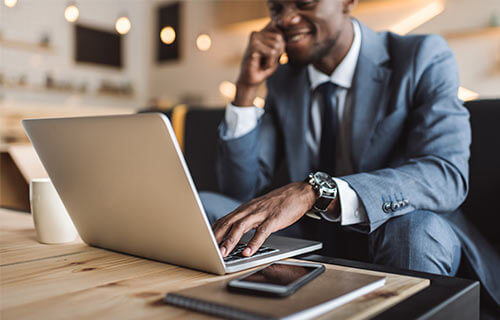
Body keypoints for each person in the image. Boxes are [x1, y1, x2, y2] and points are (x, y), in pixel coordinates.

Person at [200, 0, 470, 277]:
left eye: (303, 3)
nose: (287, 19)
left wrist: (317, 193)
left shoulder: (422, 56)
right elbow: (239, 191)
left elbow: (446, 175)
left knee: (413, 231)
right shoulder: (283, 80)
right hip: (311, 236)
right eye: (276, 8)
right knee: (206, 208)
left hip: (395, 233)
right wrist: (246, 89)